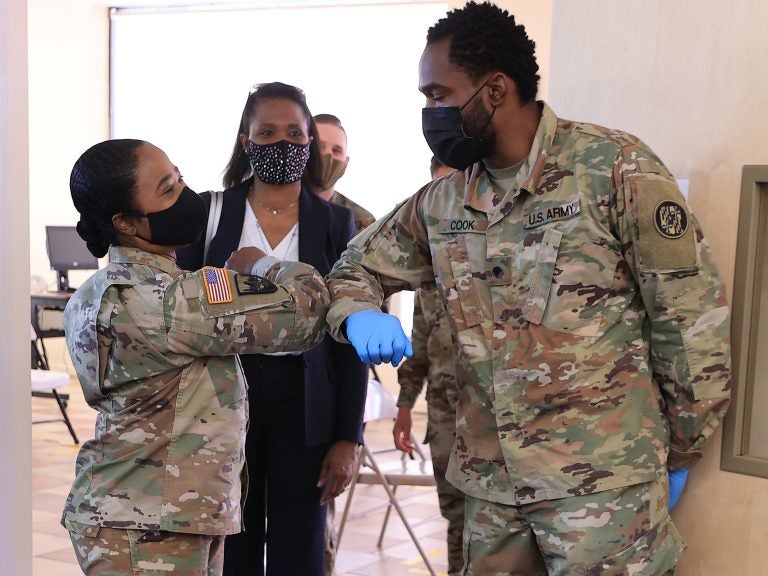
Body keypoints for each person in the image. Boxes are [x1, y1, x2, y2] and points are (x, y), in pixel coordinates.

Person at [324, 2, 732, 574]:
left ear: (494, 90)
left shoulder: (613, 168)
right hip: (491, 490)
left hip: (600, 489)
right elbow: (352, 270)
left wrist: (677, 447)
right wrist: (358, 312)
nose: (430, 112)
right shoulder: (444, 201)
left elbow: (689, 322)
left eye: (438, 95)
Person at [62, 138, 330, 575]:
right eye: (167, 191)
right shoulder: (167, 300)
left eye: (179, 178)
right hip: (148, 525)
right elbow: (307, 311)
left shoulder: (106, 290)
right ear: (127, 223)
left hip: (157, 514)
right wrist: (260, 264)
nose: (185, 195)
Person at [176, 82, 367, 576]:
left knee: (299, 547)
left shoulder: (335, 223)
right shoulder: (210, 214)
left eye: (294, 133)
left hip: (305, 401)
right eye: (267, 132)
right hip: (224, 395)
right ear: (246, 141)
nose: (282, 143)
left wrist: (349, 436)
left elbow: (348, 332)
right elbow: (179, 311)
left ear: (309, 142)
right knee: (229, 542)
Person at [392, 155, 464, 576]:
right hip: (445, 417)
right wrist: (404, 405)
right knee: (456, 519)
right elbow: (419, 342)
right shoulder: (430, 264)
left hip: (498, 422)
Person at [312, 113, 376, 234]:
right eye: (320, 147)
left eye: (336, 150)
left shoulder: (363, 222)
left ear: (345, 163)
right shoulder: (275, 208)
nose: (328, 155)